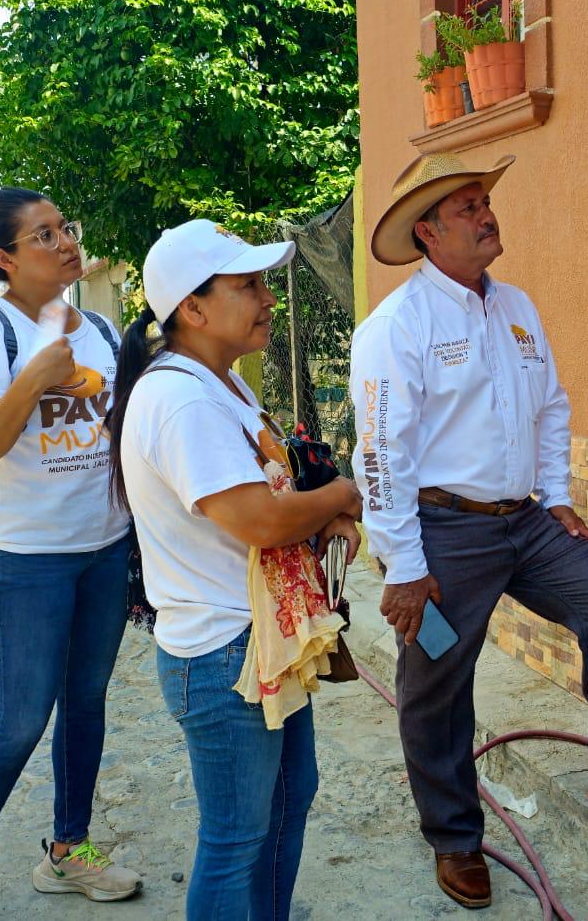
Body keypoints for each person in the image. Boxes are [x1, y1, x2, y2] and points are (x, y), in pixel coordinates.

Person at [350, 153, 588, 910]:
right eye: (467, 208)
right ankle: (454, 836)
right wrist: (403, 564)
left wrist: (556, 497)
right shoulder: (397, 326)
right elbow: (381, 455)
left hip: (526, 521)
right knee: (437, 677)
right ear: (427, 232)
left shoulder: (515, 304)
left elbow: (551, 406)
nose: (487, 216)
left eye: (485, 200)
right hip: (444, 534)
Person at [107, 219, 362, 919]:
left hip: (263, 643)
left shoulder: (224, 386)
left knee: (285, 805)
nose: (266, 297)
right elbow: (261, 521)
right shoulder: (184, 399)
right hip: (224, 656)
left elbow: (274, 497)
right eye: (246, 284)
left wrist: (314, 509)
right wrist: (340, 497)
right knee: (236, 836)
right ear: (193, 307)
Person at [0, 186, 141, 920]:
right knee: (19, 720)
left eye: (64, 228)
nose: (65, 242)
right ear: (5, 259)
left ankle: (69, 851)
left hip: (102, 549)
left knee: (85, 702)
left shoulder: (106, 334)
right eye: (43, 236)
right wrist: (33, 379)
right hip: (21, 558)